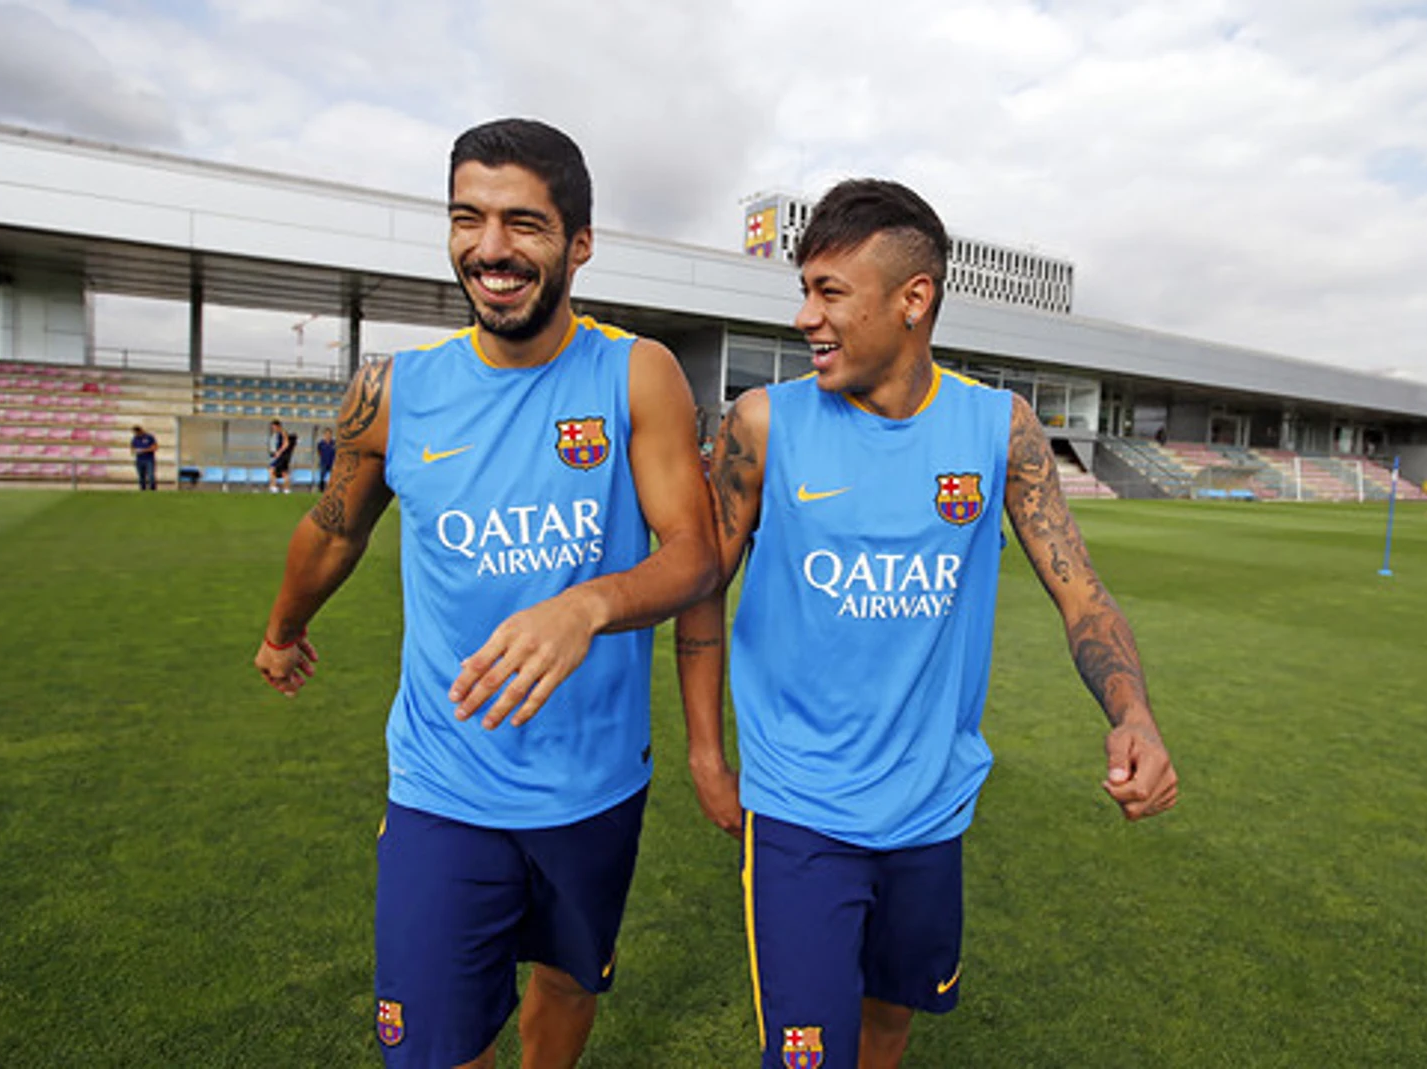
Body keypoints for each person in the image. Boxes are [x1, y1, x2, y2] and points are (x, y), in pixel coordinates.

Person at [674, 179, 1178, 1069]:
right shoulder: (763, 425)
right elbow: (701, 585)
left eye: (830, 292)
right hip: (800, 808)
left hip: (930, 810)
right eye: (805, 290)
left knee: (890, 1022)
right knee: (805, 1056)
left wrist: (1132, 714)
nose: (804, 318)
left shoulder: (999, 429)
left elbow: (1082, 593)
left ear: (915, 299)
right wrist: (707, 754)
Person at [253, 118, 715, 1069]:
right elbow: (335, 530)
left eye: (523, 223)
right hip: (443, 783)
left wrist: (586, 606)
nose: (491, 249)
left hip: (595, 783)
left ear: (579, 243)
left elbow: (696, 555)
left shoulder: (639, 373)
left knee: (564, 982)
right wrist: (282, 628)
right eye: (468, 218)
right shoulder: (392, 390)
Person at [267, 419, 292, 493]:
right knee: (283, 472)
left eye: (274, 427)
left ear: (278, 426)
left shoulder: (283, 432)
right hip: (282, 456)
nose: (273, 429)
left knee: (272, 469)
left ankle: (274, 487)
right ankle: (286, 489)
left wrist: (279, 452)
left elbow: (286, 443)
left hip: (283, 456)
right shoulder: (277, 434)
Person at [130, 424, 157, 490]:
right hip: (139, 460)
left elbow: (155, 447)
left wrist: (143, 450)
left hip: (149, 459)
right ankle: (142, 489)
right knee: (141, 476)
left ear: (140, 431)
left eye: (136, 432)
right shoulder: (135, 438)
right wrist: (135, 451)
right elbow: (132, 449)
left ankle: (152, 489)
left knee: (151, 475)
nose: (136, 434)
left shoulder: (149, 437)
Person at [316, 427, 336, 492]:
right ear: (324, 435)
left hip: (332, 462)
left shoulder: (334, 443)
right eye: (326, 434)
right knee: (322, 476)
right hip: (324, 462)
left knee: (333, 476)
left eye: (329, 434)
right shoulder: (321, 443)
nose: (328, 435)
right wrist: (321, 457)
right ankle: (321, 489)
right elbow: (318, 451)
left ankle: (332, 489)